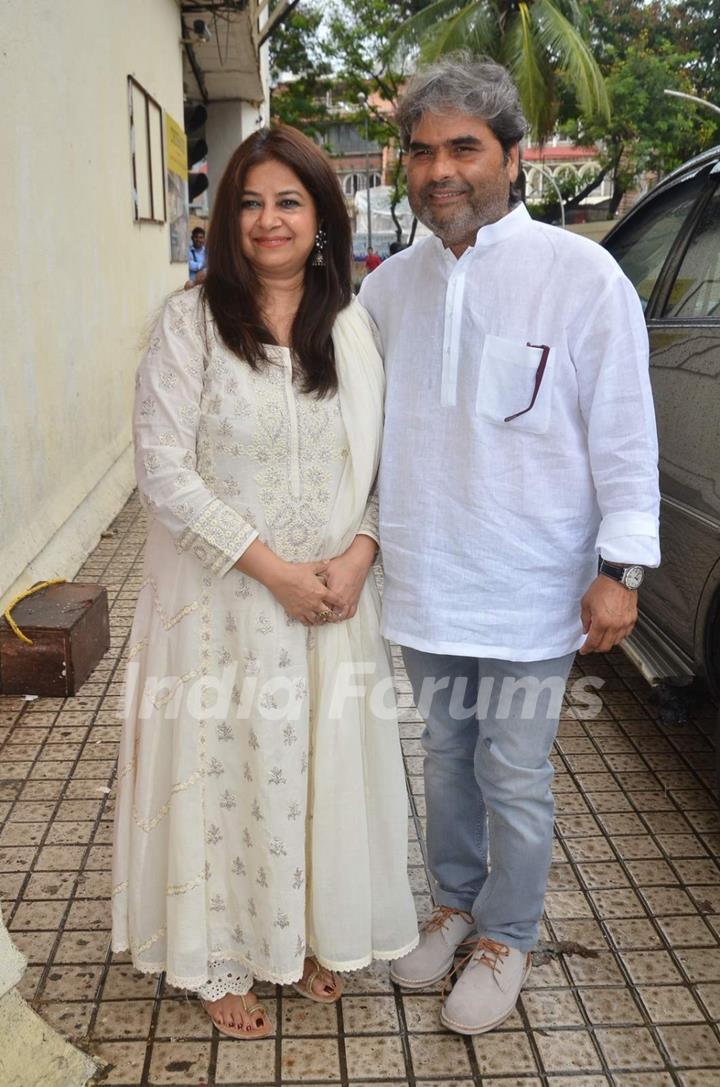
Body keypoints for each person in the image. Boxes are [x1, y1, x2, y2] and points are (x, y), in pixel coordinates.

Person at [359, 55, 660, 1035]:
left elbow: (622, 427)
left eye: (465, 148)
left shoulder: (579, 278)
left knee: (515, 773)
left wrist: (622, 569)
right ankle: (452, 906)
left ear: (513, 157)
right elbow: (355, 429)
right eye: (422, 152)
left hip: (533, 589)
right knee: (444, 755)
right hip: (425, 579)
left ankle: (507, 935)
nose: (440, 170)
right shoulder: (388, 290)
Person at [112, 125, 418, 1040]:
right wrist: (274, 571)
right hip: (223, 605)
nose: (268, 220)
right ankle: (222, 950)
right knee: (228, 778)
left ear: (324, 215)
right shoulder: (190, 321)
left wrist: (359, 554)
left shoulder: (353, 326)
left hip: (330, 604)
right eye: (249, 202)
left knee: (321, 770)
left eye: (289, 201)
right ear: (226, 217)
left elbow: (387, 464)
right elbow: (163, 468)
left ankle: (318, 927)